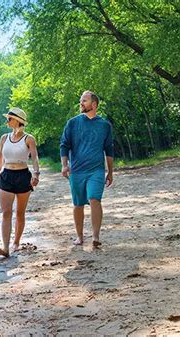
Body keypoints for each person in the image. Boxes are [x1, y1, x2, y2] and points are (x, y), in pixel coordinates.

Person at [60, 91, 114, 247]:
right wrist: (64, 165)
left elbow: (109, 150)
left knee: (94, 199)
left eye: (84, 100)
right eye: (80, 100)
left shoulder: (104, 125)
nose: (81, 103)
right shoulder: (72, 123)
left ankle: (96, 237)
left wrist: (110, 172)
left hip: (96, 170)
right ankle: (79, 236)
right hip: (76, 170)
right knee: (78, 204)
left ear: (94, 104)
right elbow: (64, 145)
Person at [0, 107, 40, 258]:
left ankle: (16, 242)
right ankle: (5, 247)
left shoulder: (29, 139)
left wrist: (36, 174)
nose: (7, 121)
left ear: (17, 121)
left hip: (23, 175)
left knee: (19, 213)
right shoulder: (4, 138)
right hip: (7, 175)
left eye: (9, 118)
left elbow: (35, 158)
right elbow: (0, 160)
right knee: (6, 212)